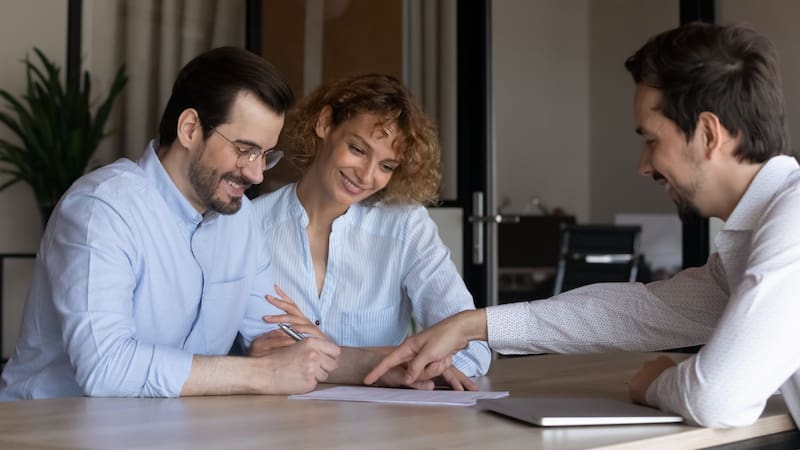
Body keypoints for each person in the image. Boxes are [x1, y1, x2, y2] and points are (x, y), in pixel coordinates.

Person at [366, 22, 800, 428]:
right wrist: (472, 324)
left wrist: (654, 383)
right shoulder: (758, 234)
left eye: (651, 140)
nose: (644, 166)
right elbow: (637, 313)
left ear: (708, 133)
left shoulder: (793, 221)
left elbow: (716, 398)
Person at [0, 47, 346, 399]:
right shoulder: (100, 208)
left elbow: (279, 341)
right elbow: (105, 367)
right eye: (245, 149)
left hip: (168, 431)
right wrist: (260, 373)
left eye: (265, 155)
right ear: (190, 128)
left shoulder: (239, 219)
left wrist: (381, 365)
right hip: (48, 431)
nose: (256, 173)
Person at [245, 73, 491, 384]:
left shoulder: (405, 225)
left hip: (379, 428)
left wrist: (327, 354)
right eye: (358, 149)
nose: (366, 175)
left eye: (386, 166)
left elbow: (472, 350)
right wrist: (390, 360)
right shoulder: (249, 225)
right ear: (325, 123)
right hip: (271, 423)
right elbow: (245, 352)